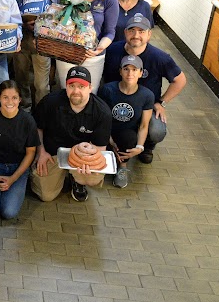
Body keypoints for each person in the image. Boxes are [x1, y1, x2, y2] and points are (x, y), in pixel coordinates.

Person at [104, 14, 186, 164]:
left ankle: (147, 146)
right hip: (115, 104)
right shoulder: (111, 51)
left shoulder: (160, 57)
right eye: (132, 30)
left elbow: (180, 80)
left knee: (157, 130)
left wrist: (161, 102)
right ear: (125, 32)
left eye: (141, 31)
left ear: (149, 34)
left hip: (145, 107)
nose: (136, 35)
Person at [32, 66, 112, 202]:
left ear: (90, 88)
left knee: (93, 178)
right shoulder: (50, 102)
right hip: (53, 154)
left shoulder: (102, 112)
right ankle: (59, 175)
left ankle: (78, 180)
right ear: (66, 86)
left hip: (83, 158)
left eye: (81, 86)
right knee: (46, 196)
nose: (76, 91)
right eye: (72, 85)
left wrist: (88, 164)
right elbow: (37, 128)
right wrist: (41, 152)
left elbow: (100, 149)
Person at [10, 0, 68, 110]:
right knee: (21, 79)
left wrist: (46, 23)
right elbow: (12, 10)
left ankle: (43, 114)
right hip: (22, 38)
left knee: (41, 84)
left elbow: (65, 15)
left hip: (44, 40)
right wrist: (22, 21)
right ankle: (25, 110)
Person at [55, 0, 119, 93]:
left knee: (89, 94)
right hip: (67, 54)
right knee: (67, 92)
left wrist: (98, 49)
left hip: (93, 57)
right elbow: (59, 22)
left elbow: (110, 32)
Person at [0, 80, 38, 219]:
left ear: (20, 100)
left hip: (17, 168)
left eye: (14, 98)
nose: (10, 102)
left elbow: (31, 153)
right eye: (5, 97)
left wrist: (13, 179)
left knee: (8, 212)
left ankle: (15, 188)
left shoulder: (27, 121)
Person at [98, 55, 154, 188]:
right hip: (107, 131)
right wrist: (109, 140)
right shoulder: (107, 90)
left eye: (134, 70)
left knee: (129, 138)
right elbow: (100, 119)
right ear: (120, 71)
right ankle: (105, 157)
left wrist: (139, 148)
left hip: (126, 133)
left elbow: (144, 125)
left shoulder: (147, 95)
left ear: (141, 73)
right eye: (126, 69)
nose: (130, 73)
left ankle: (122, 166)